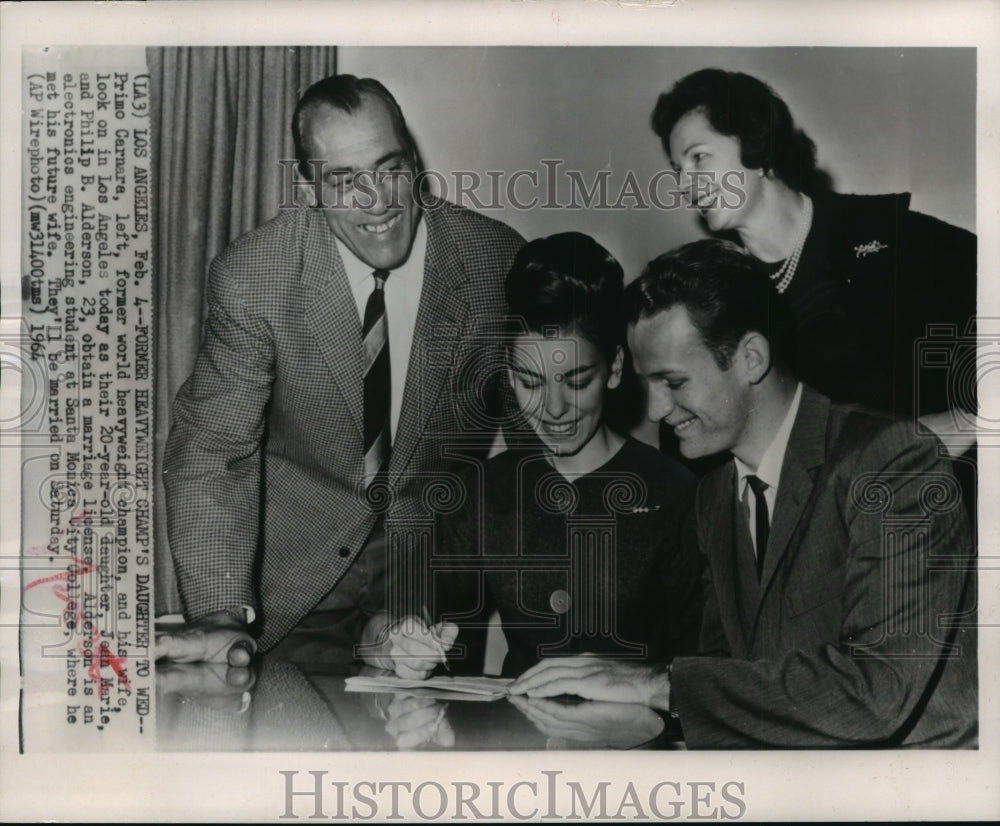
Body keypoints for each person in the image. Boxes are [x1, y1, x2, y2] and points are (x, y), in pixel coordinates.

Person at [509, 239, 978, 749]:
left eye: (673, 382)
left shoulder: (891, 463)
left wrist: (657, 683)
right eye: (649, 385)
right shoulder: (714, 498)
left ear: (751, 358)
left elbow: (878, 691)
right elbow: (729, 683)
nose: (657, 410)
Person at [156, 74, 524, 666]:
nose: (377, 200)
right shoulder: (254, 276)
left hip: (429, 593)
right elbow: (213, 450)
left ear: (414, 161)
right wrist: (222, 611)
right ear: (309, 186)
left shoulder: (494, 260)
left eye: (390, 167)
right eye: (345, 181)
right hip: (292, 590)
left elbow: (535, 448)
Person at [372, 233, 701, 679]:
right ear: (509, 375)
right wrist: (402, 641)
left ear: (616, 368)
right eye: (530, 381)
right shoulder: (485, 489)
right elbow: (403, 611)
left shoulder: (676, 492)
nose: (554, 409)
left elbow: (705, 662)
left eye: (577, 380)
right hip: (519, 738)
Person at [650, 68, 977, 458]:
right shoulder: (722, 296)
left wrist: (967, 422)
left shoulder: (885, 232)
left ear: (756, 146)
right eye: (678, 171)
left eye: (699, 158)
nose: (686, 185)